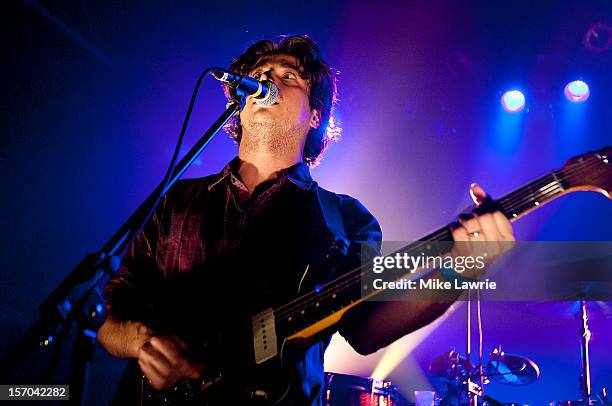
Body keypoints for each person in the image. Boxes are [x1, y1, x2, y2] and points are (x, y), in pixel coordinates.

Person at [97, 35, 515, 405]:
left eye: (289, 76)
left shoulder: (347, 219)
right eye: (260, 73)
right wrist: (148, 345)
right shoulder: (176, 199)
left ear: (316, 115)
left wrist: (463, 268)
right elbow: (109, 323)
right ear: (237, 106)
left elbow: (367, 330)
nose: (270, 80)